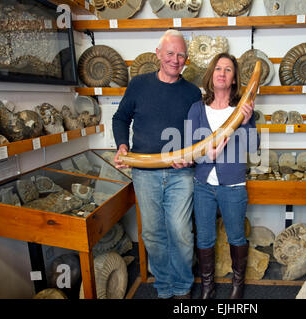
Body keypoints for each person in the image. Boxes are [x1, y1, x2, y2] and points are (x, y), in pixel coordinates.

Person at [112, 29, 202, 299]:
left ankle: (183, 286)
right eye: (171, 53)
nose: (176, 60)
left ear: (186, 59)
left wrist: (188, 155)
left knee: (181, 232)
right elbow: (120, 118)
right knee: (152, 233)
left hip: (181, 174)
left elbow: (198, 135)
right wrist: (122, 144)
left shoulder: (192, 92)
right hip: (144, 173)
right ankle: (164, 287)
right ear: (158, 54)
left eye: (181, 55)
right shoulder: (138, 84)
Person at [186, 52, 259, 299]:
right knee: (204, 238)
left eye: (228, 70)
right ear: (211, 74)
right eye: (218, 68)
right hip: (203, 185)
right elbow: (190, 148)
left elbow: (253, 147)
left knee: (237, 236)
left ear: (234, 79)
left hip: (233, 185)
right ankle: (208, 287)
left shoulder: (242, 109)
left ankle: (238, 286)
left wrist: (248, 122)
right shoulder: (197, 109)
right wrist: (208, 156)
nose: (222, 73)